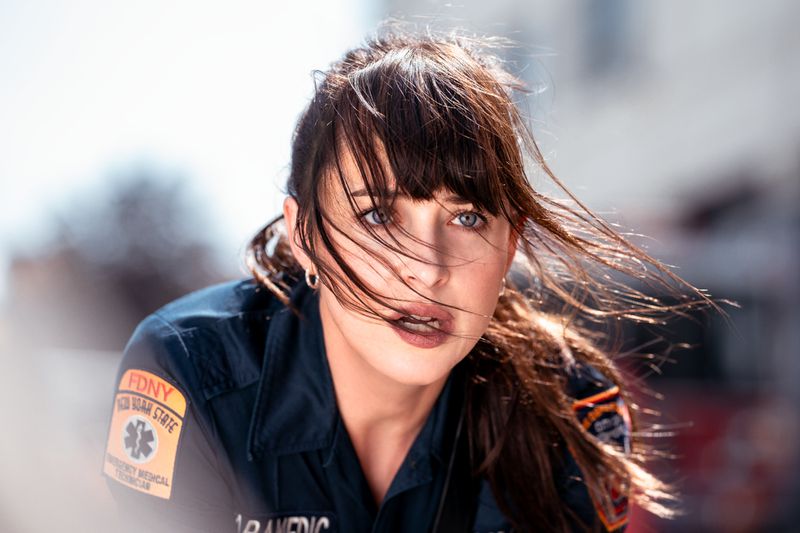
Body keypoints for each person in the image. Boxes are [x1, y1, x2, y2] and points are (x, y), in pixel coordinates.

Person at [101, 27, 710, 533]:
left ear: (511, 246)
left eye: (467, 218)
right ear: (305, 234)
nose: (427, 267)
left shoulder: (571, 414)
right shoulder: (188, 375)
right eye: (377, 215)